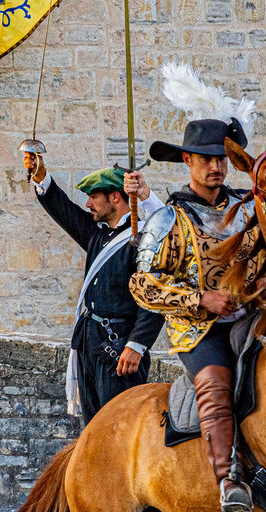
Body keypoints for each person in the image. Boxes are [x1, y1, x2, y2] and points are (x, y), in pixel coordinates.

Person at [131, 118, 266, 512]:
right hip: (198, 330)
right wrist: (200, 299)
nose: (216, 167)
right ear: (187, 161)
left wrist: (265, 281)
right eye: (206, 159)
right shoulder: (167, 220)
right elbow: (142, 285)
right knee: (214, 380)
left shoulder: (250, 209)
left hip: (254, 316)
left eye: (222, 159)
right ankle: (229, 481)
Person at [25, 152, 167, 425]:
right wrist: (41, 176)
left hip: (120, 345)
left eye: (93, 196)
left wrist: (137, 345)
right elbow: (64, 211)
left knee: (119, 425)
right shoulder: (98, 235)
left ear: (115, 197)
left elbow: (155, 295)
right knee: (93, 425)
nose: (88, 203)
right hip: (90, 341)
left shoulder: (143, 239)